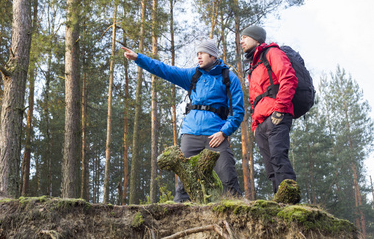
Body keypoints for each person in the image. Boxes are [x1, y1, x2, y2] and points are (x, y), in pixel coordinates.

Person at [122, 40, 245, 201]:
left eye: (202, 53)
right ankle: (180, 213)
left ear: (212, 55)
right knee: (184, 182)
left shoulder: (229, 78)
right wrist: (139, 58)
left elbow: (238, 111)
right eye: (197, 54)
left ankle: (236, 211)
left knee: (228, 177)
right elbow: (164, 69)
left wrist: (224, 132)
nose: (199, 57)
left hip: (215, 136)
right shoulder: (193, 75)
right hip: (190, 134)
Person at [240, 25, 298, 194]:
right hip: (261, 123)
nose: (241, 41)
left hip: (276, 116)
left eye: (244, 37)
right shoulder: (253, 65)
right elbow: (254, 100)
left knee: (279, 159)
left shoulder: (272, 52)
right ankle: (280, 204)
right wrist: (255, 127)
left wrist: (279, 110)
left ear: (256, 38)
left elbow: (289, 78)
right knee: (270, 168)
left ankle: (291, 202)